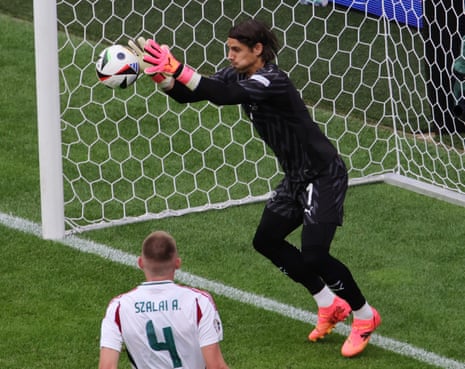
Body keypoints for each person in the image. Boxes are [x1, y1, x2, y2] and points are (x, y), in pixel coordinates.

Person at [128, 18, 381, 358]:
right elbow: (195, 96)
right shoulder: (238, 73)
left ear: (258, 50)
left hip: (322, 173)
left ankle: (364, 316)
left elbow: (225, 96)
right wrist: (162, 76)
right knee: (267, 240)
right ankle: (328, 303)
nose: (229, 56)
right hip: (295, 175)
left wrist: (179, 66)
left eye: (236, 50)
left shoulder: (271, 80)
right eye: (228, 49)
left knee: (315, 254)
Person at [98, 230, 230, 369]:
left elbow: (107, 366)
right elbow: (215, 366)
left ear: (140, 262)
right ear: (177, 263)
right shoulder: (199, 302)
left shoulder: (119, 307)